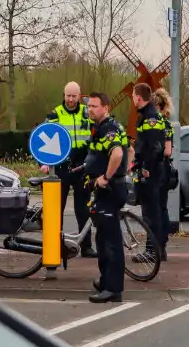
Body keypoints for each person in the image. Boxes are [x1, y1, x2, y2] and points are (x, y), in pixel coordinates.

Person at [39, 81, 95, 257]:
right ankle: (56, 247)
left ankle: (86, 247)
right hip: (61, 167)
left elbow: (98, 136)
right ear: (63, 95)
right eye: (68, 96)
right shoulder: (55, 114)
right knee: (57, 210)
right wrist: (42, 163)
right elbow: (40, 140)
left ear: (80, 96)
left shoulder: (88, 113)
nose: (70, 99)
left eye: (74, 96)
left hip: (82, 166)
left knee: (83, 209)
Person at [83, 92, 129, 304]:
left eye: (94, 106)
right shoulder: (107, 127)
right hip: (108, 189)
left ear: (106, 107)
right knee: (102, 239)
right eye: (89, 106)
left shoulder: (108, 128)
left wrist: (106, 177)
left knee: (110, 242)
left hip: (109, 189)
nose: (90, 109)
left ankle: (113, 289)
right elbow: (131, 150)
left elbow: (117, 153)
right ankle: (105, 280)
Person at [129, 83, 173, 262]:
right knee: (157, 211)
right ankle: (158, 249)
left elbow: (155, 148)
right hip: (156, 170)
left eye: (132, 96)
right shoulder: (149, 117)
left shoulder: (150, 118)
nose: (132, 99)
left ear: (138, 97)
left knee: (151, 213)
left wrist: (145, 168)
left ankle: (151, 250)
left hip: (152, 173)